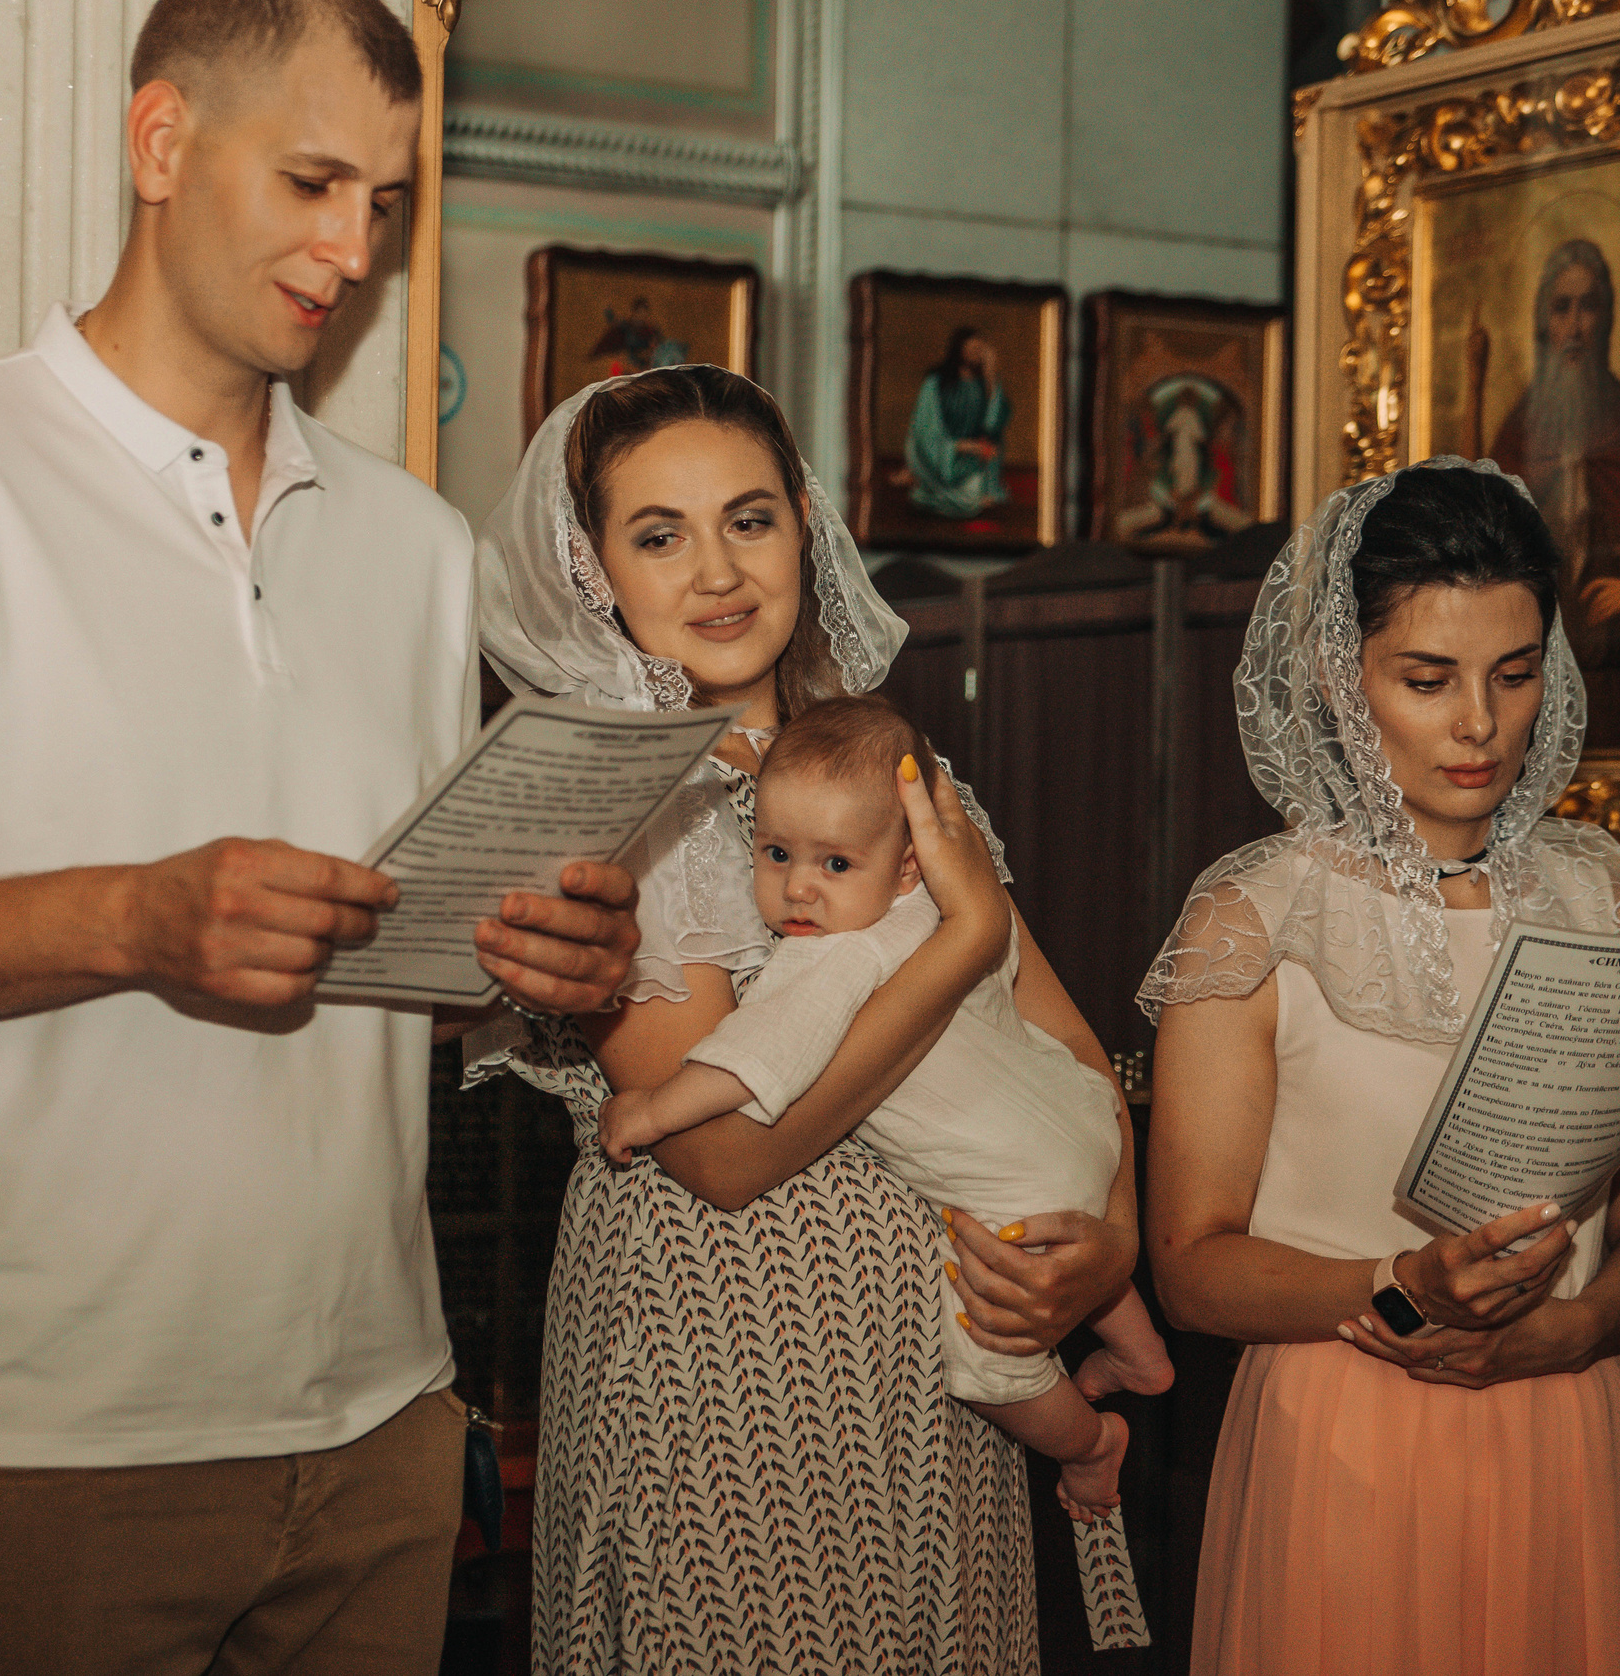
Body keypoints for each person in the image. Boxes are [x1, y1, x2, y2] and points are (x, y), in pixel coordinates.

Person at [0, 0, 638, 1676]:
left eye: (386, 203)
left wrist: (532, 967)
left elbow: (398, 983)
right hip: (36, 1452)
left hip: (377, 1432)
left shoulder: (418, 552)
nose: (354, 254)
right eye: (311, 183)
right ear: (158, 139)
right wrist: (131, 917)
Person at [474, 364, 1148, 1668]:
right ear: (591, 567)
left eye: (750, 517)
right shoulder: (603, 808)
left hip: (935, 1371)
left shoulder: (884, 770)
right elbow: (727, 1158)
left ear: (803, 523)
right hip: (710, 1379)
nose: (717, 570)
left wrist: (1108, 1247)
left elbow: (1061, 1046)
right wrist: (951, 952)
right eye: (658, 534)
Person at [1140, 458, 1620, 1675]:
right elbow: (1191, 1267)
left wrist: (1579, 1328)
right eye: (1427, 678)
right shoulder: (1255, 917)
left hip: (1564, 1417)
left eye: (1512, 674)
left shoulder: (1605, 901)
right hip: (1342, 1428)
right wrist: (1405, 1282)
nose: (1477, 723)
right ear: (1347, 681)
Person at [595, 694, 1174, 1527]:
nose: (799, 887)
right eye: (777, 853)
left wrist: (648, 1111)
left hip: (1007, 1191)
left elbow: (752, 1061)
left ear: (902, 863)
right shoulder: (944, 901)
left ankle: (1089, 1448)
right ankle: (1140, 1353)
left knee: (990, 1367)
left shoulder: (827, 959)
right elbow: (1049, 1010)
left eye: (833, 866)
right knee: (1061, 1209)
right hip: (1080, 1123)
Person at [1483, 237, 1620, 745]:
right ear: (1544, 322)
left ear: (1607, 319)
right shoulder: (1520, 431)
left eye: (1589, 307)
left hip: (1616, 685)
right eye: (1562, 308)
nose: (1576, 326)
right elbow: (1481, 555)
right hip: (1529, 684)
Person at [904, 327, 1012, 519]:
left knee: (974, 494)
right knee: (966, 499)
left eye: (981, 351)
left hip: (971, 459)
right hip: (940, 455)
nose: (977, 355)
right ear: (959, 351)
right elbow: (925, 431)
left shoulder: (986, 384)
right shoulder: (935, 383)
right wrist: (961, 446)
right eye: (972, 349)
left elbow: (992, 425)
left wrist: (991, 377)